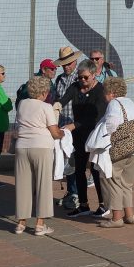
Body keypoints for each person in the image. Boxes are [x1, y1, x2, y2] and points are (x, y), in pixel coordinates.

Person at [13, 73, 68, 235]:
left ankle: (21, 223)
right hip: (41, 147)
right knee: (43, 184)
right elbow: (54, 132)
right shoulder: (46, 107)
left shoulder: (22, 104)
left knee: (23, 185)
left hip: (22, 146)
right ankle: (40, 224)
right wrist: (63, 133)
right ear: (44, 92)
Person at [95, 76, 134, 228]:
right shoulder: (132, 104)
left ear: (111, 92)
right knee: (126, 184)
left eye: (105, 92)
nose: (104, 96)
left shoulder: (114, 104)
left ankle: (117, 217)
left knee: (114, 181)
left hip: (119, 149)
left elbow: (111, 125)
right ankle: (129, 215)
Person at [60, 59, 107, 216]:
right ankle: (84, 205)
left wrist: (74, 125)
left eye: (85, 77)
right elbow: (63, 100)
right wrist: (54, 107)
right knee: (79, 170)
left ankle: (103, 204)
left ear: (94, 75)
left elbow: (95, 117)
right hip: (79, 137)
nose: (82, 80)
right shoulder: (75, 87)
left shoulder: (100, 91)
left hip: (95, 135)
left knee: (95, 170)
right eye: (80, 77)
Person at [54, 46, 83, 209]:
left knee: (75, 160)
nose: (66, 66)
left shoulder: (80, 79)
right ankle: (72, 192)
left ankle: (75, 193)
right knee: (67, 160)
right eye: (64, 63)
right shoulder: (59, 80)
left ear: (75, 61)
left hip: (76, 125)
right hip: (63, 126)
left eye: (69, 63)